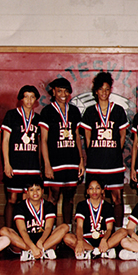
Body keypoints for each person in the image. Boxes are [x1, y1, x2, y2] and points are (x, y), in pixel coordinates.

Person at [80, 71, 129, 227]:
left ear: (110, 90)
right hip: (95, 164)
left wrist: (114, 151)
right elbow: (87, 138)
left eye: (107, 89)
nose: (104, 92)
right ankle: (96, 230)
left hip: (114, 164)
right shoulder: (89, 112)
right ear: (96, 91)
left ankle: (118, 230)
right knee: (95, 198)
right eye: (101, 89)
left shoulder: (118, 111)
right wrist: (95, 152)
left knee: (117, 198)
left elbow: (122, 136)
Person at [39, 77, 84, 226]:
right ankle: (49, 229)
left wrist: (81, 161)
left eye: (65, 91)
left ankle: (67, 228)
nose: (63, 94)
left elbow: (77, 137)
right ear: (53, 91)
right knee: (53, 195)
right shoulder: (47, 111)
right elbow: (43, 140)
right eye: (59, 91)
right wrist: (46, 164)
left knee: (70, 196)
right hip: (55, 160)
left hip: (71, 160)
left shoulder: (74, 111)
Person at [2, 85, 42, 229]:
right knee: (12, 199)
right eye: (26, 96)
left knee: (29, 200)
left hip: (32, 167)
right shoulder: (11, 115)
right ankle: (7, 230)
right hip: (15, 165)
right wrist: (7, 163)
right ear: (21, 99)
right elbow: (5, 140)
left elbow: (39, 143)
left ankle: (26, 232)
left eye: (32, 97)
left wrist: (40, 166)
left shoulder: (38, 118)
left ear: (36, 100)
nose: (29, 100)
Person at [0, 180, 69, 261]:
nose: (35, 192)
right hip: (25, 241)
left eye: (38, 189)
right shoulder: (20, 206)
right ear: (27, 192)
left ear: (42, 191)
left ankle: (35, 251)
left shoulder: (48, 206)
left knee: (65, 227)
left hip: (44, 240)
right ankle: (36, 251)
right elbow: (22, 230)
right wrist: (32, 246)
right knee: (3, 231)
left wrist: (40, 242)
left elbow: (48, 228)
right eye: (31, 190)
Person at [63, 179, 126, 259]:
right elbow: (79, 227)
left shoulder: (108, 206)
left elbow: (109, 229)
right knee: (67, 237)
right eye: (91, 188)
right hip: (86, 240)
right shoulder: (81, 205)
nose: (94, 191)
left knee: (123, 231)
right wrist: (79, 241)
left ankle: (92, 253)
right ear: (87, 191)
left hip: (103, 240)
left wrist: (104, 239)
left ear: (102, 191)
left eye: (97, 188)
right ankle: (99, 252)